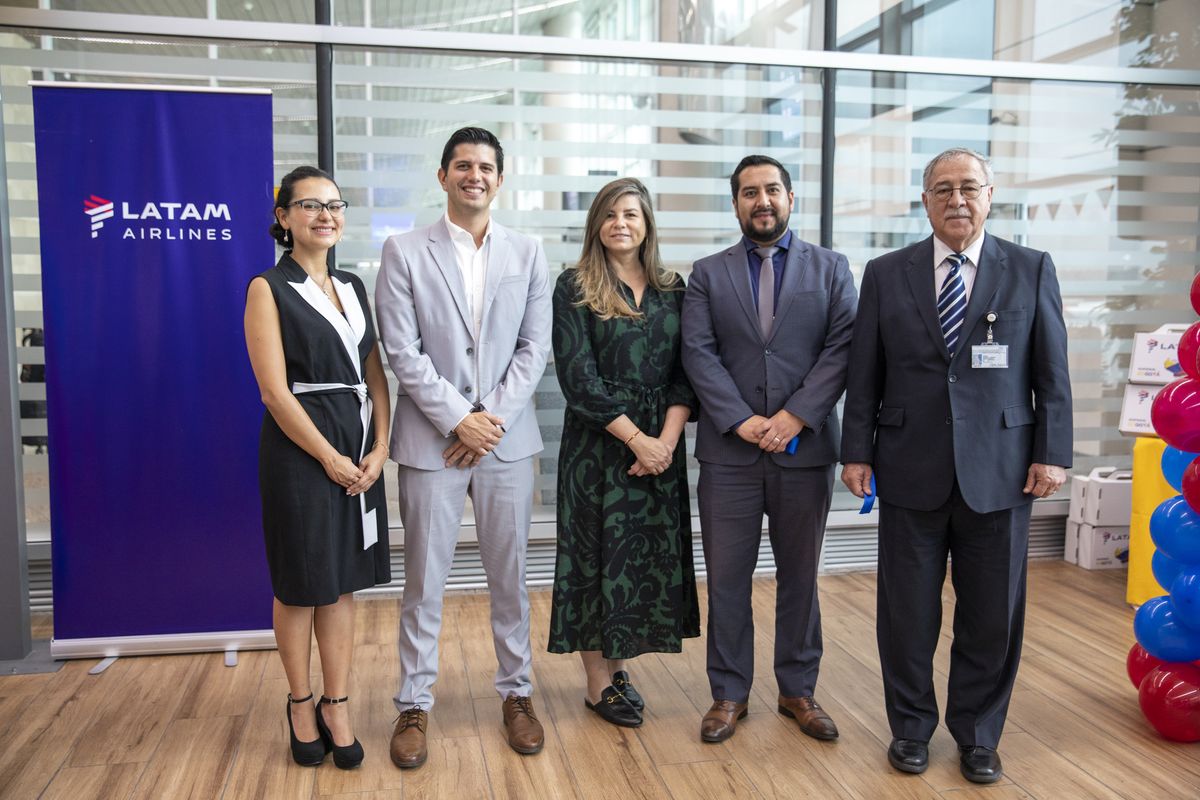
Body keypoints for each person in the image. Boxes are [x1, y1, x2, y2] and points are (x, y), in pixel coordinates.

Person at [840, 147, 1072, 784]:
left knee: (992, 614)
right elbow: (865, 373)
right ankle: (911, 728)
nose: (957, 200)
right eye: (942, 189)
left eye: (969, 187)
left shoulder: (1029, 268)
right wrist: (855, 449)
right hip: (909, 465)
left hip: (1001, 469)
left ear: (990, 195)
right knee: (906, 613)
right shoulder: (888, 273)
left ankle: (978, 734)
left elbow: (1052, 374)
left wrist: (1053, 453)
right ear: (925, 201)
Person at [375, 127, 552, 768]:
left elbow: (535, 349)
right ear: (443, 176)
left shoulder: (529, 253)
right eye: (462, 166)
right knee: (424, 583)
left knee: (511, 581)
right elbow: (402, 350)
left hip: (505, 446)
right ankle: (413, 704)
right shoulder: (402, 251)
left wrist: (489, 421)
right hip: (432, 445)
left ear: (499, 179)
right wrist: (459, 419)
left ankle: (517, 694)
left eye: (485, 167)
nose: (474, 175)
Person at [681, 155, 857, 744]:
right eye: (750, 192)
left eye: (772, 190)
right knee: (727, 578)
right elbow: (698, 354)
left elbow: (842, 349)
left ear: (790, 197)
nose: (762, 201)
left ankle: (797, 691)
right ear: (735, 203)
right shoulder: (707, 273)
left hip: (803, 452)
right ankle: (728, 694)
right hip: (730, 455)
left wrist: (792, 417)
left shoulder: (832, 269)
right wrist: (742, 421)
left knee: (801, 577)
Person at [244, 165, 392, 769]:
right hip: (302, 452)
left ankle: (337, 702)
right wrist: (331, 458)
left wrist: (380, 450)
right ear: (284, 218)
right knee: (301, 583)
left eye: (334, 205)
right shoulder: (267, 287)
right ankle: (300, 702)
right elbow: (275, 394)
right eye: (310, 206)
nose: (326, 215)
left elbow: (374, 373)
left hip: (360, 451)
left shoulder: (355, 285)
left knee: (341, 581)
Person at [548, 177, 700, 728]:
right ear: (596, 224)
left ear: (647, 223)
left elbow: (688, 373)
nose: (620, 223)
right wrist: (638, 440)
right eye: (610, 214)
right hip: (598, 446)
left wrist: (664, 442)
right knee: (593, 561)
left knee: (635, 564)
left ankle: (617, 668)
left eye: (631, 214)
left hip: (661, 444)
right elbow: (578, 378)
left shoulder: (673, 286)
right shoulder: (575, 285)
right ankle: (596, 681)